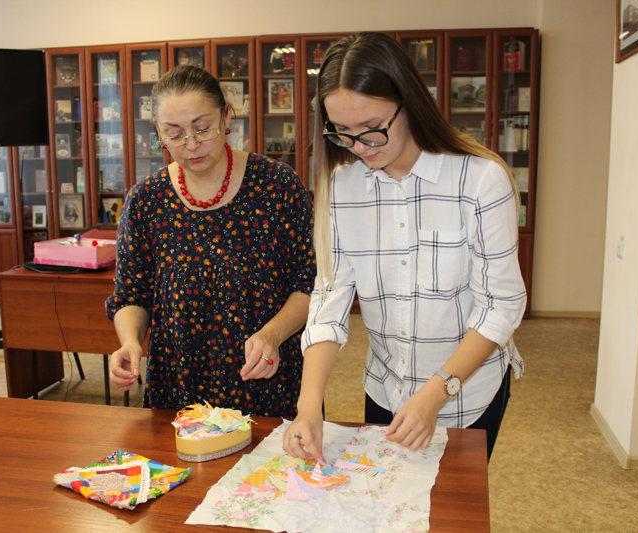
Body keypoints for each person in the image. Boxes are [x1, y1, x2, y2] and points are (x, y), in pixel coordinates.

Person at [283, 32, 526, 462]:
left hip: (468, 391)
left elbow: (500, 305)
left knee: (452, 501)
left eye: (372, 129)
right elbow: (329, 297)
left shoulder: (479, 180)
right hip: (386, 386)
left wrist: (437, 392)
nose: (360, 147)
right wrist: (308, 406)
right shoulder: (342, 186)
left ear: (409, 103)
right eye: (343, 133)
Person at [106, 65, 315, 417]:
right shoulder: (145, 201)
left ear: (227, 116)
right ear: (158, 132)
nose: (191, 145)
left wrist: (272, 335)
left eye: (203, 128)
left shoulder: (277, 186)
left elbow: (310, 283)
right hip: (179, 382)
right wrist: (129, 342)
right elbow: (132, 295)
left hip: (266, 376)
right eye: (174, 134)